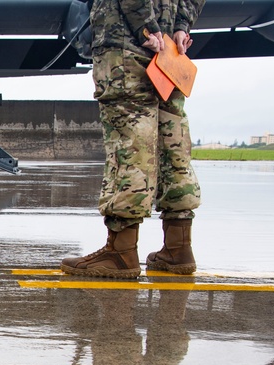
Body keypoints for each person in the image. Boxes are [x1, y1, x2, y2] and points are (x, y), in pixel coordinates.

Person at [62, 0, 204, 279]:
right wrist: (180, 26)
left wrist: (145, 28)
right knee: (171, 144)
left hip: (127, 42)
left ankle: (121, 251)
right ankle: (178, 247)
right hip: (170, 51)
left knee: (129, 145)